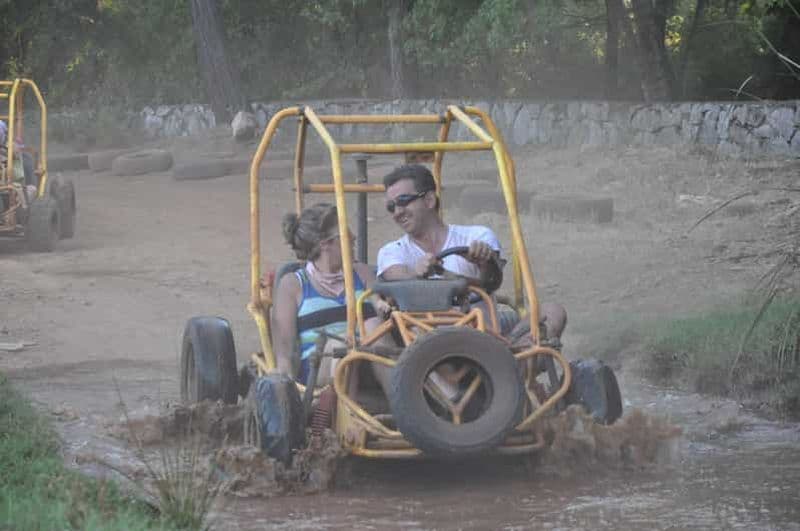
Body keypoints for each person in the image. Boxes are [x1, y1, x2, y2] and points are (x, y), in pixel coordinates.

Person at [377, 163, 567, 342]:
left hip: (484, 341)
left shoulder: (477, 236)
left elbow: (492, 281)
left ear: (429, 200)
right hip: (428, 349)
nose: (397, 212)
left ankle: (515, 361)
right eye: (391, 207)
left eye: (403, 201)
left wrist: (483, 263)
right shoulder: (392, 251)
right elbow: (395, 276)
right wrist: (415, 273)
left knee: (552, 311)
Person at [271, 202, 389, 387]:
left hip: (371, 362)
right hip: (320, 366)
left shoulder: (363, 273)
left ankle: (403, 401)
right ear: (325, 244)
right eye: (345, 233)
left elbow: (383, 317)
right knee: (340, 347)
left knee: (374, 326)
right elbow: (285, 352)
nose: (353, 237)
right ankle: (340, 405)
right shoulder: (293, 285)